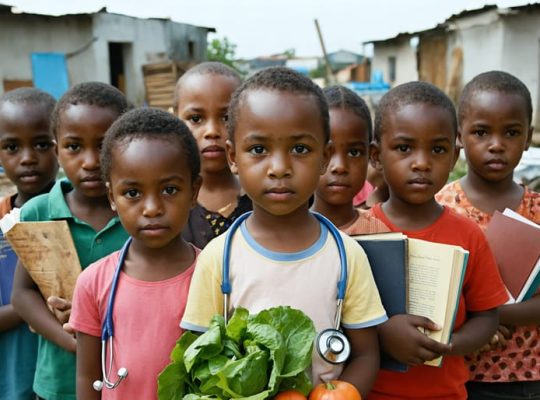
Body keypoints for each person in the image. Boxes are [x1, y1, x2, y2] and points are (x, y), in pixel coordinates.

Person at [180, 67, 387, 397]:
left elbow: (365, 354)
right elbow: (199, 360)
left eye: (300, 149)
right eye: (259, 150)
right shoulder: (219, 258)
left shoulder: (346, 255)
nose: (279, 167)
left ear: (324, 157)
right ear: (233, 157)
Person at [365, 81, 509, 400]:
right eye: (404, 148)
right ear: (376, 156)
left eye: (438, 150)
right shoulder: (359, 232)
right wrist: (382, 332)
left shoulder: (468, 235)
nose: (421, 162)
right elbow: (339, 316)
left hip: (446, 393)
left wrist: (448, 345)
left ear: (454, 155)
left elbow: (487, 317)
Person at [69, 108, 202, 400]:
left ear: (194, 192)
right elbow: (87, 376)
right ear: (111, 198)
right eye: (132, 193)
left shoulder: (212, 275)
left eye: (169, 189)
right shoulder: (94, 282)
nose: (152, 208)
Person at [11, 82, 129, 400]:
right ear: (57, 148)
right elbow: (22, 294)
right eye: (74, 147)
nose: (90, 161)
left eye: (103, 146)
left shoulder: (138, 213)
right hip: (58, 381)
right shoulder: (40, 211)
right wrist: (75, 343)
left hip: (126, 377)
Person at [436, 71, 540, 400]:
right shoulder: (440, 208)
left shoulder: (537, 209)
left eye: (511, 132)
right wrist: (481, 323)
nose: (496, 145)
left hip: (531, 375)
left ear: (528, 137)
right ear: (459, 136)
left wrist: (487, 316)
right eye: (481, 132)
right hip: (462, 375)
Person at [0, 88, 58, 400]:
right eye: (11, 146)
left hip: (65, 381)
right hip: (11, 382)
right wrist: (31, 307)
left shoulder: (80, 215)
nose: (28, 158)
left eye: (41, 144)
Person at [175, 62, 251, 249]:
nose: (212, 131)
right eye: (196, 119)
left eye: (226, 118)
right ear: (175, 119)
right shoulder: (168, 204)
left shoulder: (264, 198)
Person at [312, 85, 389, 234]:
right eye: (325, 153)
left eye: (354, 152)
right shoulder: (288, 235)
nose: (340, 167)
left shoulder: (381, 234)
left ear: (371, 155)